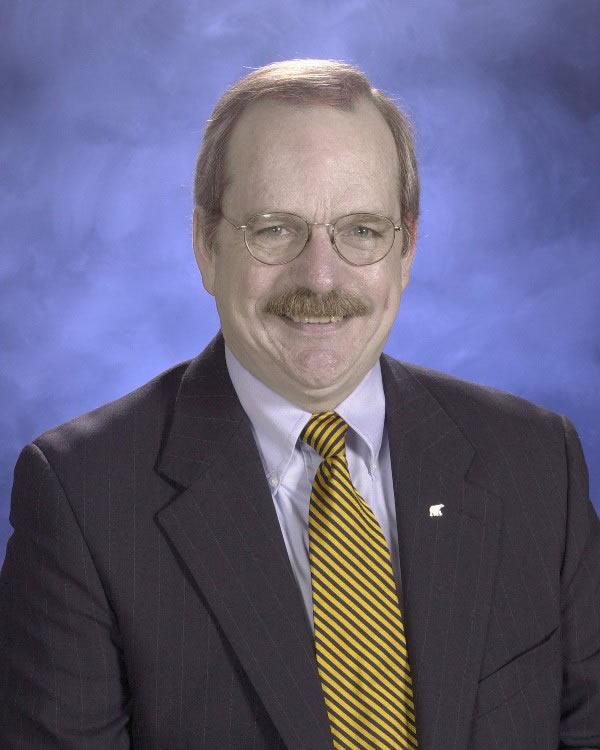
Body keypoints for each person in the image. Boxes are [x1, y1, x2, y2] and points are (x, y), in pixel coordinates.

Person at [0, 59, 598, 750]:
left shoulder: (535, 462)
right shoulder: (83, 498)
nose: (320, 277)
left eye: (361, 230)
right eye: (275, 228)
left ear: (406, 249)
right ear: (206, 245)